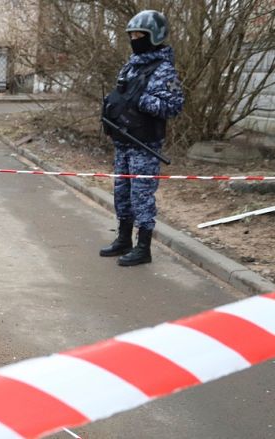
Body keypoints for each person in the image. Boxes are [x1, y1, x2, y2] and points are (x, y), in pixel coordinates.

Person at [100, 10, 184, 266]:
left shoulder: (163, 70)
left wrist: (142, 100)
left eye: (140, 35)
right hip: (124, 140)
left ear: (155, 36)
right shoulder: (131, 65)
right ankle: (124, 239)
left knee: (141, 196)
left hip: (145, 145)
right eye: (132, 35)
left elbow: (174, 106)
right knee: (122, 194)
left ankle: (143, 248)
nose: (135, 39)